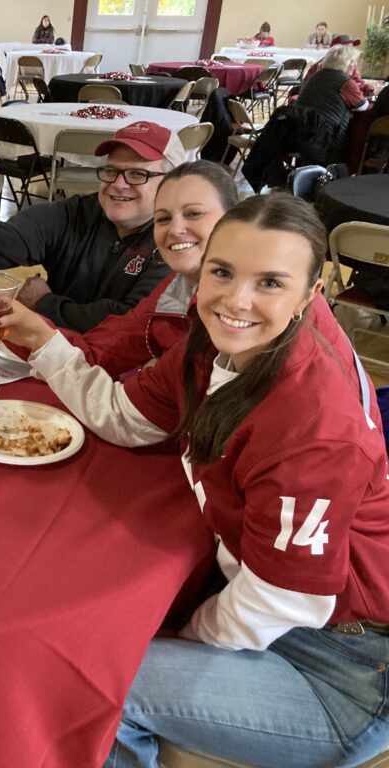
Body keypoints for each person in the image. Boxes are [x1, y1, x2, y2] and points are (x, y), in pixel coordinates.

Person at [52, 194, 389, 767]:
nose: (236, 300)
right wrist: (43, 346)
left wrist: (185, 638)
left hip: (347, 670)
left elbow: (283, 599)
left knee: (90, 683)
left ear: (311, 296)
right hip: (285, 612)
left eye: (270, 283)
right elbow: (131, 418)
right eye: (223, 272)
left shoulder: (314, 429)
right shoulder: (220, 341)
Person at [0, 121, 186, 332]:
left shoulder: (176, 242)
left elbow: (128, 323)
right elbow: (6, 238)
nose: (118, 184)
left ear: (172, 184)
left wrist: (45, 303)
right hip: (49, 352)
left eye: (137, 174)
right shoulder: (79, 213)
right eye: (111, 170)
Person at [0, 161, 239, 380]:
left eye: (194, 214)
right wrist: (35, 333)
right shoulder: (174, 288)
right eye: (163, 218)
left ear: (234, 219)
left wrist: (43, 316)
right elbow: (108, 348)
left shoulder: (242, 311)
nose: (176, 229)